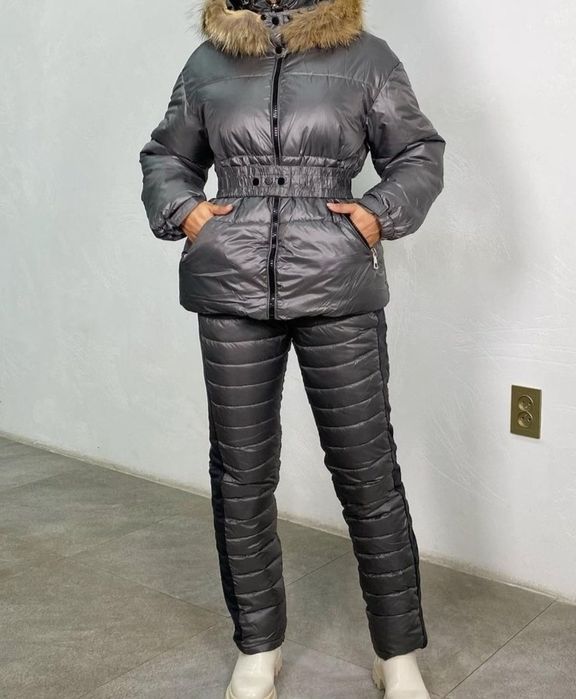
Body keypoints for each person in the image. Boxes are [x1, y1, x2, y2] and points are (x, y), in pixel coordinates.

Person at [139, 0, 445, 697]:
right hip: (231, 284)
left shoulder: (367, 58)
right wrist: (187, 211)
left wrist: (376, 215)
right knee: (241, 475)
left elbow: (418, 153)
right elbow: (167, 156)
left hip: (338, 283)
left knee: (368, 473)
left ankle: (398, 654)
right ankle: (258, 648)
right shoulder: (208, 62)